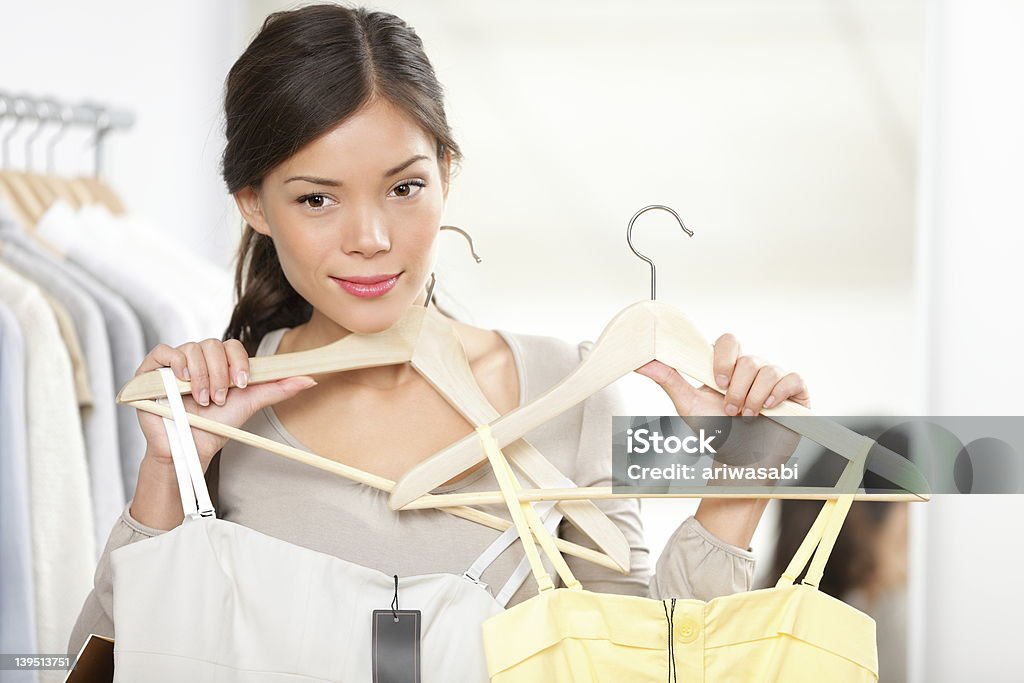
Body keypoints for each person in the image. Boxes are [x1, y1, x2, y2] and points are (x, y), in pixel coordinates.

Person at [67, 3, 811, 660]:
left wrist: (734, 489)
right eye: (318, 198)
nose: (370, 237)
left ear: (447, 173)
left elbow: (649, 662)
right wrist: (170, 474)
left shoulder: (567, 390)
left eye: (404, 187)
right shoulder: (221, 420)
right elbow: (106, 667)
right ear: (255, 205)